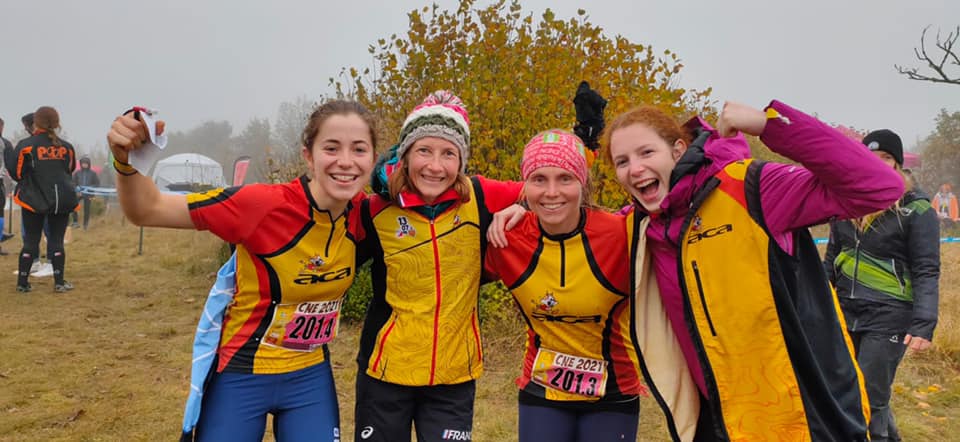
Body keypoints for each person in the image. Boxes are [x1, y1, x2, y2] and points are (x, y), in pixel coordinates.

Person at [599, 100, 905, 441]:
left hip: (801, 418)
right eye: (622, 162)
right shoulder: (639, 227)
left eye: (646, 153)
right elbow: (560, 217)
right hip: (715, 421)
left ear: (678, 150)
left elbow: (880, 185)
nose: (635, 169)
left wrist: (771, 125)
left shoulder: (750, 187)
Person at [107, 99, 377, 441]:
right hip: (241, 372)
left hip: (309, 377)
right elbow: (148, 209)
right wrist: (127, 161)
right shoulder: (262, 205)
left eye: (359, 149)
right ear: (308, 156)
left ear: (372, 159)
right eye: (331, 148)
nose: (346, 162)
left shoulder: (367, 214)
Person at [354, 90, 523, 442]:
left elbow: (551, 190)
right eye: (424, 151)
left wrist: (522, 208)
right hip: (385, 373)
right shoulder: (374, 209)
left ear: (461, 161)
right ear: (405, 155)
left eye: (449, 154)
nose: (435, 166)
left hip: (453, 376)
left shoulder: (480, 196)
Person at [484, 129, 643, 442]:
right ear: (524, 186)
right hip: (542, 390)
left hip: (612, 393)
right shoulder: (506, 237)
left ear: (582, 184)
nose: (551, 192)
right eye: (539, 179)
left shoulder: (620, 235)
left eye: (565, 179)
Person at [823, 129, 940, 442]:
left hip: (891, 314)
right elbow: (832, 258)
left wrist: (924, 323)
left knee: (868, 396)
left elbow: (927, 268)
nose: (878, 163)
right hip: (847, 311)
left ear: (897, 164)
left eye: (886, 158)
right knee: (855, 386)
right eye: (871, 157)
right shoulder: (846, 204)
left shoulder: (916, 210)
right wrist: (815, 302)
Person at [12, 106, 78, 292]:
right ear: (56, 123)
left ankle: (23, 284)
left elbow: (17, 173)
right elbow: (70, 169)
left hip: (34, 198)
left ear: (36, 122)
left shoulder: (26, 145)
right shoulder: (67, 147)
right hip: (61, 199)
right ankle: (59, 283)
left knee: (31, 241)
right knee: (56, 240)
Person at [72, 156, 101, 230]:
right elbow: (73, 182)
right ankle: (75, 222)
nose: (84, 165)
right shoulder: (77, 173)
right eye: (83, 163)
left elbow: (97, 184)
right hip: (79, 193)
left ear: (89, 164)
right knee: (73, 205)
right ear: (81, 164)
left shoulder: (93, 173)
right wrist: (77, 188)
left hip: (89, 194)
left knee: (86, 209)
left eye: (86, 163)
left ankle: (85, 225)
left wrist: (90, 188)